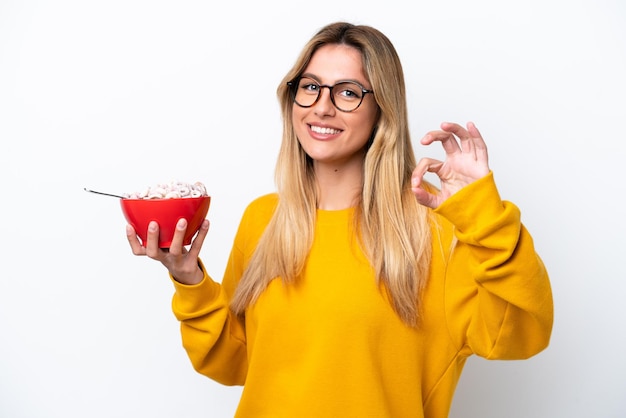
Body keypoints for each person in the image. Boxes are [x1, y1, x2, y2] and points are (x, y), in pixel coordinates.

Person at [126, 21, 553, 418]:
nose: (322, 107)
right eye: (310, 87)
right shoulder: (264, 219)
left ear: (383, 109)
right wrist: (188, 279)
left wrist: (482, 214)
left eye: (348, 92)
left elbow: (520, 334)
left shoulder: (433, 233)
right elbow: (234, 362)